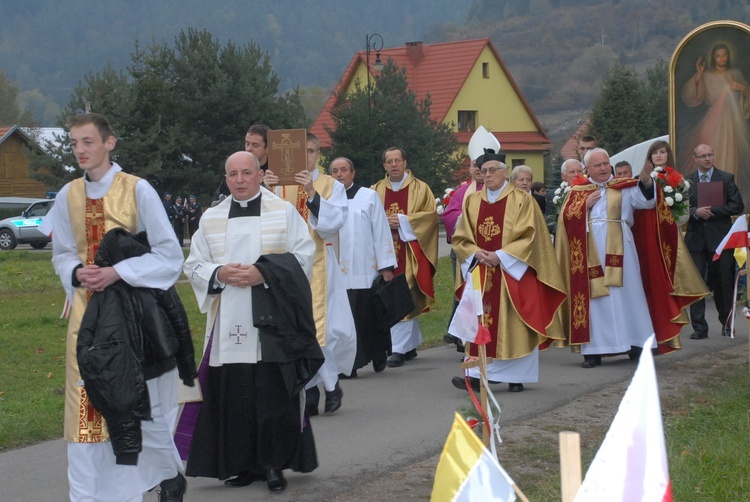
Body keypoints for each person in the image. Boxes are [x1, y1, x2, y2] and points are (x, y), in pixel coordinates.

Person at [50, 112, 188, 501]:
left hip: (132, 317)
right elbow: (61, 253)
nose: (80, 150)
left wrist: (118, 272)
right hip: (85, 319)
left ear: (110, 143)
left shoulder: (138, 190)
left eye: (88, 142)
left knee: (131, 405)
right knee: (84, 412)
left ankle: (156, 478)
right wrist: (77, 272)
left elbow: (168, 255)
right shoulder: (67, 195)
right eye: (74, 143)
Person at [182, 151, 319, 493]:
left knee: (271, 395)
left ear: (260, 175)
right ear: (226, 178)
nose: (240, 180)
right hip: (228, 320)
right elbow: (193, 264)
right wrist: (218, 272)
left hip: (272, 324)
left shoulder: (283, 212)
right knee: (236, 394)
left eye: (246, 173)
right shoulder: (211, 218)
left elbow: (304, 255)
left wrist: (264, 273)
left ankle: (273, 464)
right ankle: (241, 463)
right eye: (233, 174)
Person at [555, 148, 707, 367]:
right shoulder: (577, 192)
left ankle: (636, 344)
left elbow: (647, 202)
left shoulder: (624, 186)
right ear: (587, 169)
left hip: (623, 249)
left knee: (629, 294)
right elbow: (565, 222)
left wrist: (645, 181)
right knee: (596, 300)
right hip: (590, 251)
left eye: (606, 163)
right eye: (597, 165)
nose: (603, 168)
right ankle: (594, 351)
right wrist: (584, 207)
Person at [450, 150, 566, 392]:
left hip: (513, 272)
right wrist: (475, 252)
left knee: (515, 322)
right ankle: (476, 374)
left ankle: (516, 376)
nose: (488, 175)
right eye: (484, 172)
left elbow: (531, 236)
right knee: (480, 319)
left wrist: (501, 255)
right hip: (481, 271)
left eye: (493, 170)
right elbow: (461, 238)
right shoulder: (472, 201)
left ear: (505, 173)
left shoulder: (523, 199)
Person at [265, 132, 355, 415]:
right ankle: (321, 387)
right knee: (293, 328)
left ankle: (323, 387)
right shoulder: (276, 184)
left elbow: (332, 224)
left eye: (312, 151)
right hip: (285, 264)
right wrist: (264, 192)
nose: (306, 156)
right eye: (301, 151)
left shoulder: (330, 185)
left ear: (319, 154)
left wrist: (313, 193)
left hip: (319, 263)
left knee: (319, 329)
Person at [372, 146, 438, 367]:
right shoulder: (376, 190)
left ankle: (398, 349)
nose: (393, 165)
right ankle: (409, 346)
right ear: (384, 166)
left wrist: (401, 221)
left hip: (410, 254)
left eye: (397, 160)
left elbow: (429, 218)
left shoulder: (421, 189)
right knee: (389, 293)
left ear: (405, 162)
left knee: (406, 291)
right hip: (384, 250)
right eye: (389, 161)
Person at [331, 157, 397, 374]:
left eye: (343, 170)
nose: (339, 174)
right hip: (338, 270)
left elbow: (381, 231)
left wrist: (386, 266)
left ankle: (378, 354)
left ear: (353, 173)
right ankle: (349, 365)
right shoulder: (327, 199)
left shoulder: (368, 196)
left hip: (364, 268)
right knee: (344, 319)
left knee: (368, 317)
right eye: (335, 171)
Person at [684, 143, 745, 338]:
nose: (707, 159)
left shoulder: (726, 178)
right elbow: (680, 208)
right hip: (696, 241)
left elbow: (737, 205)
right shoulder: (687, 181)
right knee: (697, 284)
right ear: (695, 159)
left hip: (720, 240)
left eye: (710, 155)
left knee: (723, 283)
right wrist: (695, 212)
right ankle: (700, 328)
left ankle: (727, 324)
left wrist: (713, 210)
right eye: (703, 156)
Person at [681, 43, 750, 204]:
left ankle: (732, 196)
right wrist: (698, 75)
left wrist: (742, 88)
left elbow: (747, 95)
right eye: (718, 56)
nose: (722, 59)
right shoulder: (707, 75)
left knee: (732, 155)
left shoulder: (736, 73)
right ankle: (713, 197)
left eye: (724, 55)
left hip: (733, 121)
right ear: (713, 58)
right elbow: (693, 97)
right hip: (714, 120)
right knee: (714, 153)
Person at [213, 124, 271, 201]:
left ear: (267, 148)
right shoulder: (235, 167)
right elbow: (218, 201)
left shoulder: (276, 171)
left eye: (255, 145)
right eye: (247, 144)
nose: (249, 148)